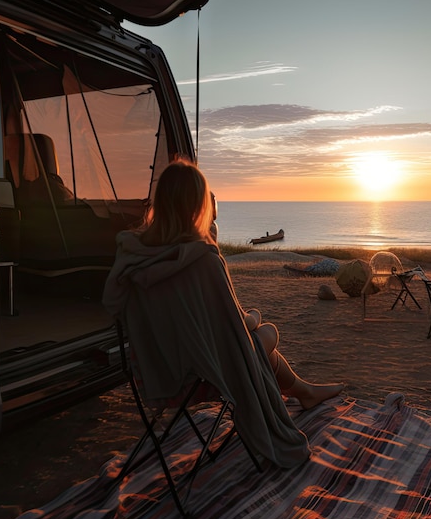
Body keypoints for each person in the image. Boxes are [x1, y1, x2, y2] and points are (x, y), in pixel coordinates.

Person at [102, 158, 343, 468]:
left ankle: (305, 391)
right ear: (199, 207)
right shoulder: (202, 261)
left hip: (151, 371)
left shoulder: (132, 256)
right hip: (197, 375)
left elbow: (119, 308)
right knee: (266, 333)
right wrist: (253, 318)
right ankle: (304, 391)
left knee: (259, 344)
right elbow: (234, 333)